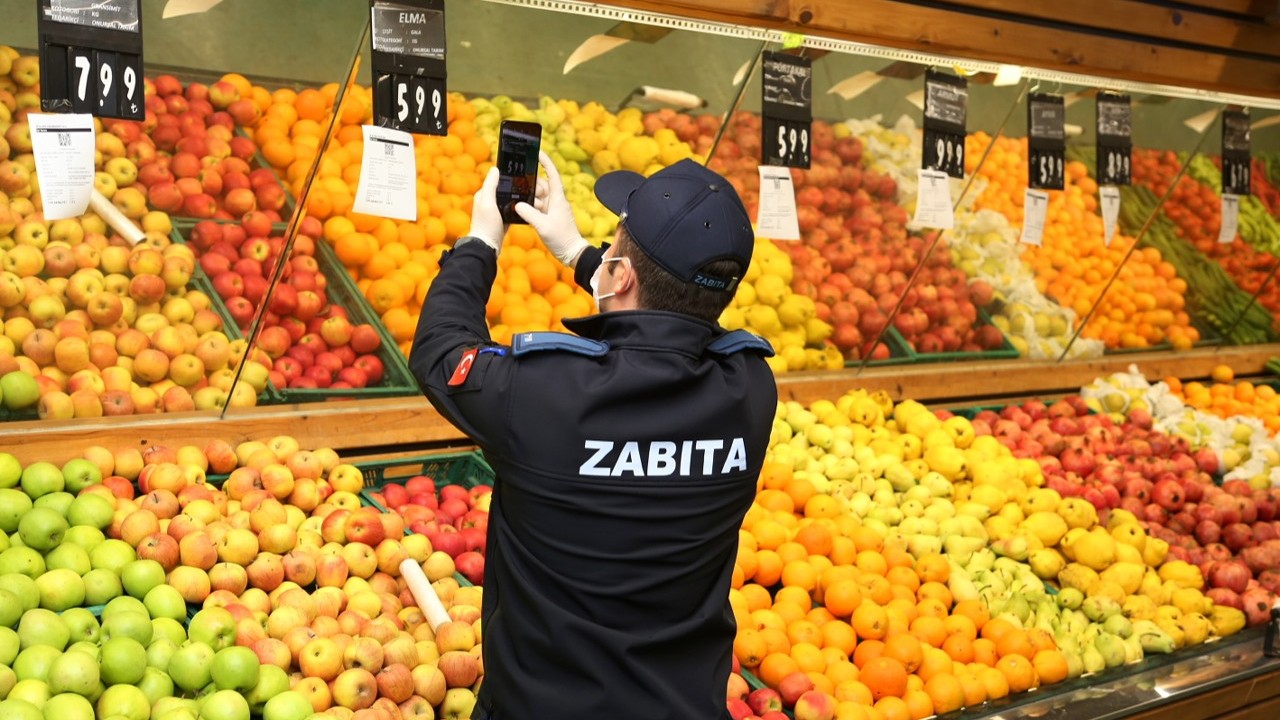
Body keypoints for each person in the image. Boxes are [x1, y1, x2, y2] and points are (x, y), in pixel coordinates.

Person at [409, 152, 777, 720]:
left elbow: (441, 351)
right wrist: (581, 256)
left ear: (621, 275)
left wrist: (481, 242)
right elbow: (682, 323)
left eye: (613, 246)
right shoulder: (749, 389)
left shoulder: (541, 392)